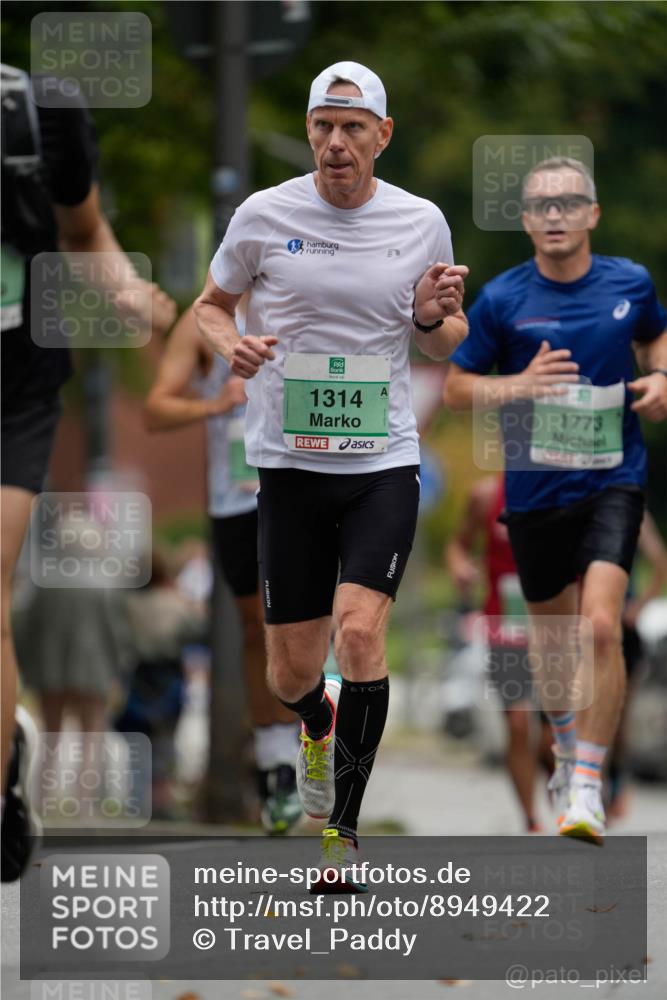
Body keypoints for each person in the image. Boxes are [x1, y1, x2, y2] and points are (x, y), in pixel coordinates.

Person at [194, 61, 468, 888]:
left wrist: (431, 316)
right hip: (287, 466)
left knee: (359, 634)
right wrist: (232, 346)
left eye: (352, 127)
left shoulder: (420, 221)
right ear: (309, 131)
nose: (335, 142)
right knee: (288, 672)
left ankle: (340, 833)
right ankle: (316, 720)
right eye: (322, 125)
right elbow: (210, 306)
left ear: (382, 135)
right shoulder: (262, 214)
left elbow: (443, 341)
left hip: (382, 462)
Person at [443, 155, 667, 845]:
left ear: (591, 213)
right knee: (554, 642)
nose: (554, 215)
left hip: (612, 479)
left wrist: (660, 375)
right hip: (535, 490)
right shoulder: (502, 299)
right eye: (541, 204)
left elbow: (654, 334)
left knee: (599, 627)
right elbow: (456, 388)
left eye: (568, 202)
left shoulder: (629, 283)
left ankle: (588, 784)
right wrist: (519, 384)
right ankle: (566, 745)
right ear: (525, 220)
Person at [1, 64, 175, 881]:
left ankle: (3, 785)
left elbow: (83, 232)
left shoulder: (40, 116)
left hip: (13, 386)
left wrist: (126, 289)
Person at [144, 302, 302, 834]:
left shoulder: (305, 287)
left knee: (306, 623)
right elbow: (155, 409)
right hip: (237, 496)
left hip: (304, 484)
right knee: (258, 626)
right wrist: (215, 404)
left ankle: (307, 747)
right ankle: (277, 765)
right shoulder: (203, 319)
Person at [446, 475, 553, 832]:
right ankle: (531, 819)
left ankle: (564, 790)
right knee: (518, 723)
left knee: (553, 733)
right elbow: (458, 544)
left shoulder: (566, 489)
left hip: (554, 624)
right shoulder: (486, 495)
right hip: (506, 626)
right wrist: (460, 566)